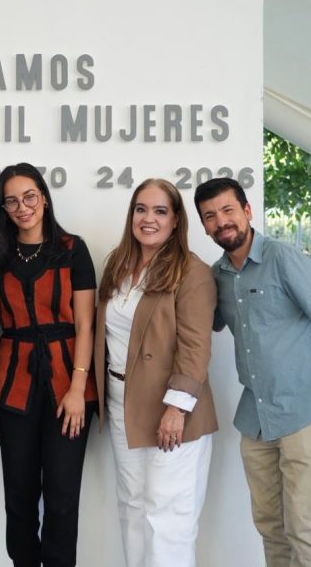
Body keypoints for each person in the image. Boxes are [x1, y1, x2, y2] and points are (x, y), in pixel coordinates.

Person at [193, 177, 311, 567]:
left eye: (228, 210)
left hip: (302, 410)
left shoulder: (282, 258)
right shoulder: (217, 277)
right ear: (204, 226)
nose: (221, 221)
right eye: (210, 216)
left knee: (302, 524)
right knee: (269, 524)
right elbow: (202, 325)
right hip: (256, 418)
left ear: (247, 211)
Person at [94, 179, 218, 567]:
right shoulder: (118, 264)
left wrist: (176, 409)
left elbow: (196, 347)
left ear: (176, 219)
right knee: (132, 508)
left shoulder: (192, 272)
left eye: (160, 211)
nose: (149, 219)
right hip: (122, 404)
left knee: (167, 519)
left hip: (171, 410)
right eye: (141, 209)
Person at [0, 162, 97, 567]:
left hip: (69, 383)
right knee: (19, 496)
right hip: (13, 384)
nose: (22, 207)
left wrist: (78, 389)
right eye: (11, 201)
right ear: (3, 207)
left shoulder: (72, 249)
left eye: (29, 196)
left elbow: (85, 325)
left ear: (44, 198)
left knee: (63, 498)